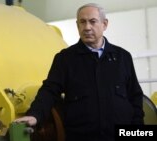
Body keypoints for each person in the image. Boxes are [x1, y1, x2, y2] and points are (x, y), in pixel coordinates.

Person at [14, 3, 144, 141]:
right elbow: (49, 91)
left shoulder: (122, 57)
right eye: (82, 22)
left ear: (104, 24)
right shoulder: (65, 59)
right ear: (77, 25)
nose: (87, 27)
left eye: (92, 22)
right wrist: (35, 115)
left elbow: (135, 96)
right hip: (81, 136)